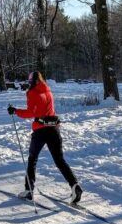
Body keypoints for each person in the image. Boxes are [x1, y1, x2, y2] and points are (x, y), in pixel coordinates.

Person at [8, 71, 83, 203]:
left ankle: (29, 190)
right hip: (54, 129)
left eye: (30, 81)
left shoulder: (32, 92)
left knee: (32, 159)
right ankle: (75, 185)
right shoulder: (48, 90)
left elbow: (31, 112)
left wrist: (15, 111)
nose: (29, 83)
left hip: (40, 131)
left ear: (33, 81)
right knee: (59, 160)